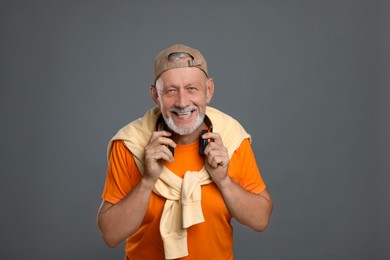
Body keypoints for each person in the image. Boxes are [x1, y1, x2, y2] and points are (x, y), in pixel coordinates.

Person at [97, 43, 273, 260]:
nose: (182, 102)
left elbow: (261, 220)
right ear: (155, 95)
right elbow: (111, 235)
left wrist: (224, 181)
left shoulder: (231, 138)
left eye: (192, 89)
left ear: (208, 90)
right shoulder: (130, 144)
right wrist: (147, 181)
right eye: (171, 91)